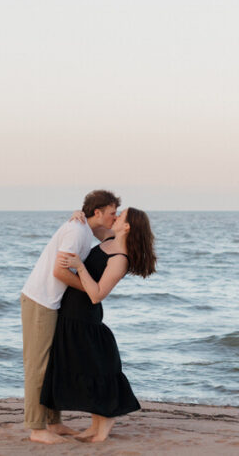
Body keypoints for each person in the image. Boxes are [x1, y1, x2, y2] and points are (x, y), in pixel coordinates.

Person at [41, 207, 157, 443]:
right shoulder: (110, 238)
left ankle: (105, 423)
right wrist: (80, 216)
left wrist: (79, 266)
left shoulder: (120, 259)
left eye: (120, 216)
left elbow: (96, 294)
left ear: (127, 227)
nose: (115, 217)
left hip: (86, 318)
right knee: (87, 370)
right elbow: (94, 227)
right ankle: (95, 426)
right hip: (70, 315)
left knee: (98, 372)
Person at [20, 190, 120, 444]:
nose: (115, 217)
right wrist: (91, 289)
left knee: (53, 363)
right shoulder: (77, 231)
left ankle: (53, 422)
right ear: (97, 212)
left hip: (53, 304)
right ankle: (36, 428)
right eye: (111, 213)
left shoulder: (85, 229)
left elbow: (117, 237)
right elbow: (59, 272)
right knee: (39, 366)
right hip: (41, 299)